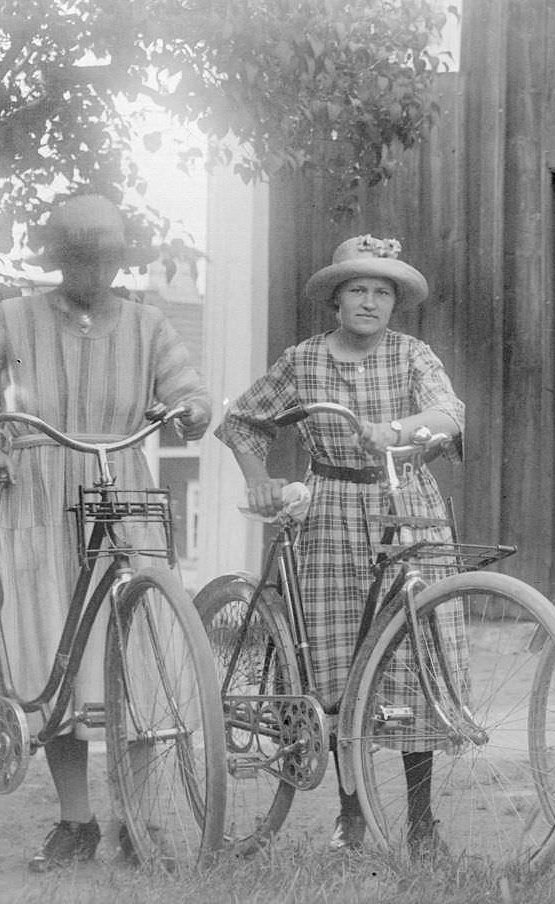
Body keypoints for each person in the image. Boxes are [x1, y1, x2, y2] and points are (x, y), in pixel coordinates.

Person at [0, 193, 211, 871]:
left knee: (135, 653)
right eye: (80, 260)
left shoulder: (148, 324)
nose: (95, 272)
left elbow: (190, 391)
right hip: (37, 494)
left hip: (125, 488)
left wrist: (191, 411)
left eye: (107, 259)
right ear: (57, 261)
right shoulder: (12, 319)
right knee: (55, 652)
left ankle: (141, 824)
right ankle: (76, 821)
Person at [215, 234, 465, 855]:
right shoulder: (302, 363)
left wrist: (400, 429)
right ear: (336, 299)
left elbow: (448, 413)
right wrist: (262, 482)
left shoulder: (412, 355)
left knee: (413, 653)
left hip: (405, 505)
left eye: (383, 292)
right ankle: (350, 811)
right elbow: (242, 422)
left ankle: (421, 819)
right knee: (335, 658)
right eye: (359, 289)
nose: (371, 302)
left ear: (394, 304)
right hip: (327, 512)